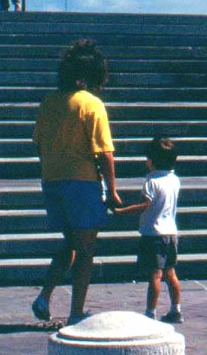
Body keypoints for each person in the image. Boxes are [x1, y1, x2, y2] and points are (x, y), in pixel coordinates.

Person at [31, 39, 122, 326]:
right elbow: (105, 153)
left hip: (53, 181)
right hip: (82, 183)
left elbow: (38, 143)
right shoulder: (92, 104)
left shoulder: (49, 102)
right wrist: (112, 190)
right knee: (85, 251)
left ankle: (44, 295)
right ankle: (76, 312)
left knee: (70, 242)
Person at [114, 137, 184, 324]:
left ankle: (150, 312)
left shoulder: (151, 182)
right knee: (170, 273)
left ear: (151, 161)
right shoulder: (175, 180)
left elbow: (145, 205)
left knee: (155, 275)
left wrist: (122, 211)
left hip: (153, 234)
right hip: (171, 232)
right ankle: (176, 309)